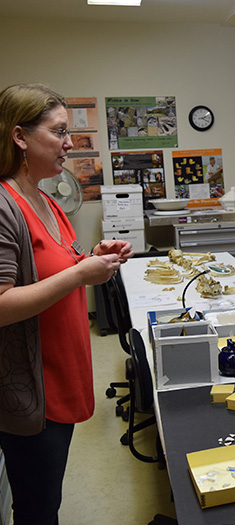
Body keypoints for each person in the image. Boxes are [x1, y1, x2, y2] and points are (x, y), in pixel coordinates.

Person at [0, 83, 134, 524]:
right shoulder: (5, 204)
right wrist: (80, 274)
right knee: (39, 511)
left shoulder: (45, 197)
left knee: (48, 498)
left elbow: (54, 265)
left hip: (64, 373)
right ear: (20, 137)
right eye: (59, 132)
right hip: (32, 389)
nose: (70, 144)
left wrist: (91, 259)